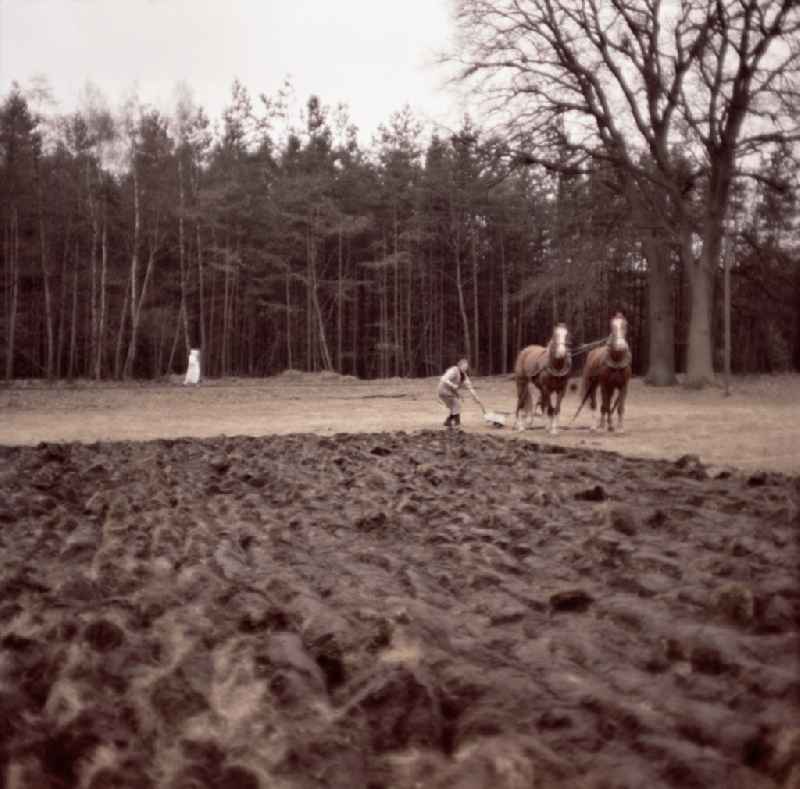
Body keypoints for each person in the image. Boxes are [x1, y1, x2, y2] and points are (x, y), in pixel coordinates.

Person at [437, 358, 481, 428]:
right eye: (464, 366)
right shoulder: (454, 370)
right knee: (456, 405)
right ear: (459, 365)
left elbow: (470, 387)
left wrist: (476, 397)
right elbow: (443, 378)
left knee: (454, 407)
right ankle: (457, 424)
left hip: (451, 392)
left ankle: (448, 421)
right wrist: (452, 385)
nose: (465, 368)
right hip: (443, 390)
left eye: (466, 366)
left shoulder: (464, 375)